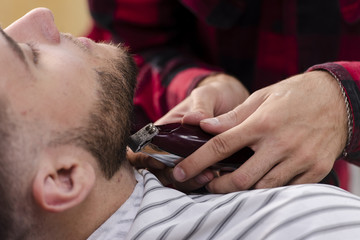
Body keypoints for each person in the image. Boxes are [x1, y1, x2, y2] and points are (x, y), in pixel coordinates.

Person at [4, 7, 360, 240]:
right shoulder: (317, 224)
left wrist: (198, 84)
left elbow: (118, 51)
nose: (42, 15)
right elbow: (132, 41)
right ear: (64, 177)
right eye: (29, 56)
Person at [87, 0, 360, 192]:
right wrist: (199, 83)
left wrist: (346, 102)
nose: (46, 18)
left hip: (323, 168)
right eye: (41, 60)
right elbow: (131, 44)